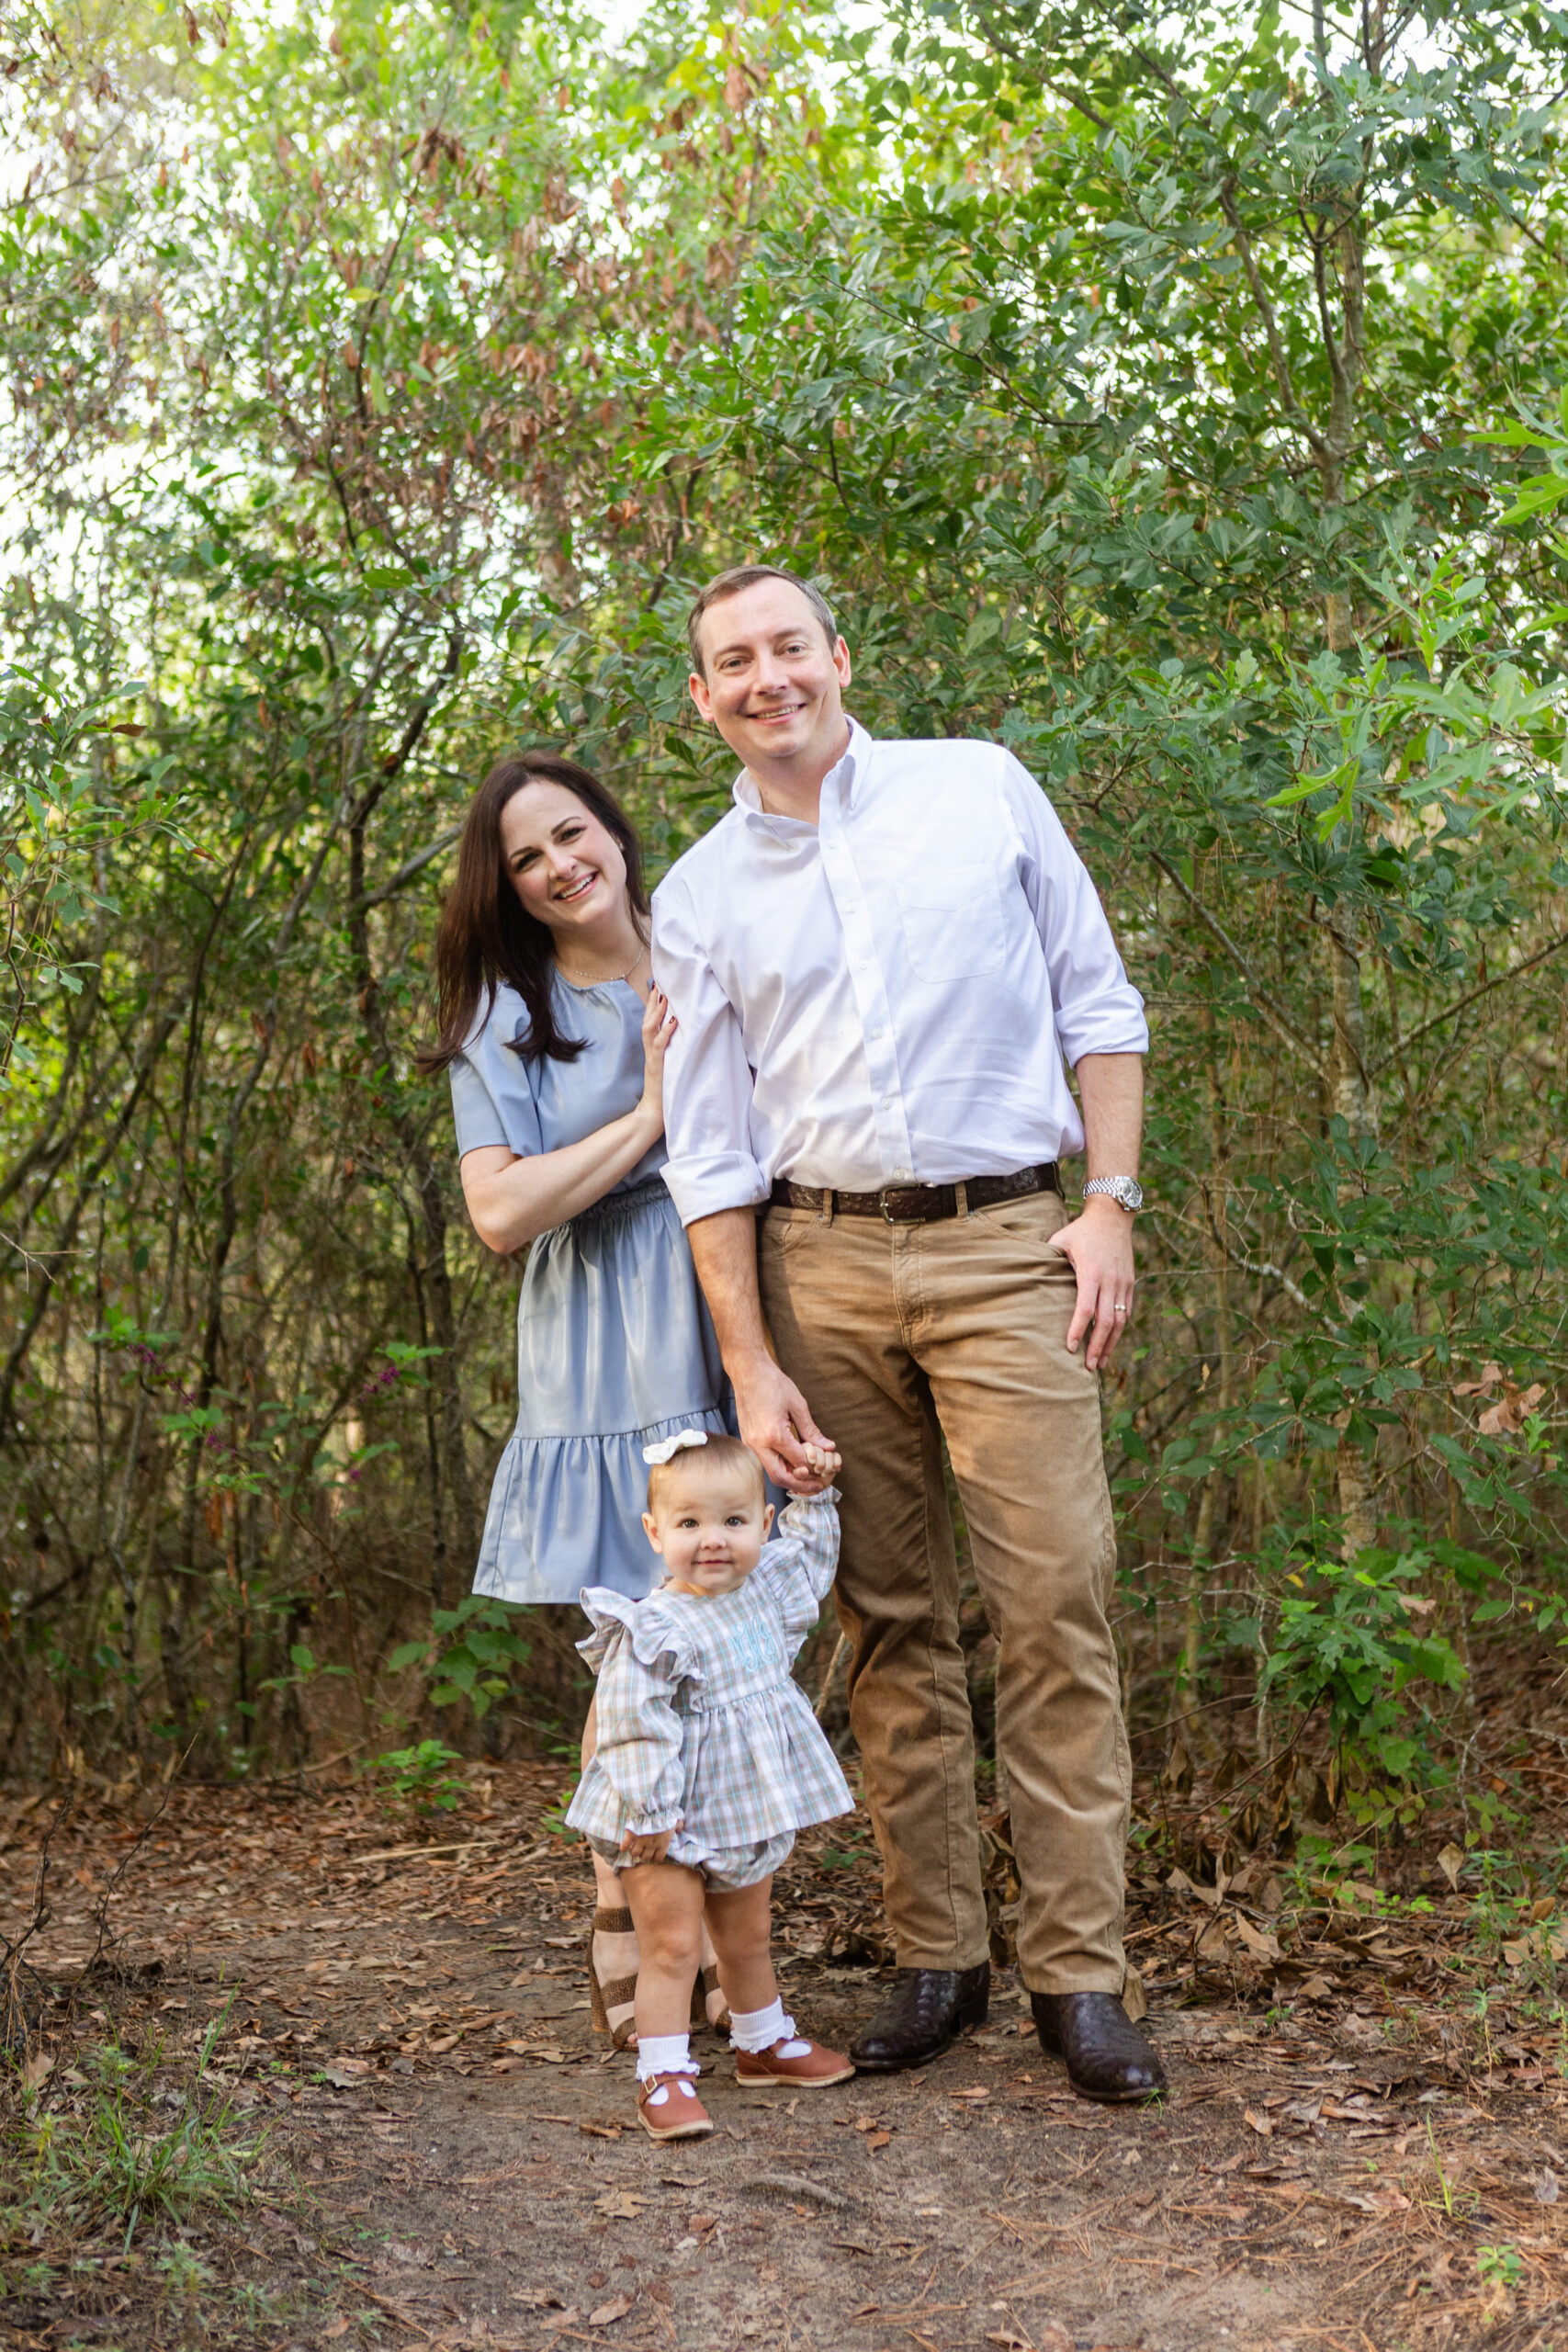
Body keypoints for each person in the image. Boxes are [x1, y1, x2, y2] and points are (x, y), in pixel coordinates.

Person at [649, 565, 1167, 2103]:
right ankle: (936, 1955)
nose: (765, 680)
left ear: (837, 657)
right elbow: (712, 1148)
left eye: (786, 649)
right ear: (703, 699)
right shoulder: (697, 893)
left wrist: (1111, 1202)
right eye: (731, 663)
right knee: (886, 1617)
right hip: (818, 1267)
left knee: (1054, 1599)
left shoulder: (977, 792)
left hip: (1013, 1244)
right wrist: (748, 1358)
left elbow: (1100, 1001)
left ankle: (1081, 1979)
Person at [423, 750, 731, 2049]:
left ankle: (720, 1911)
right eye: (527, 860)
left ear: (611, 828)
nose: (559, 866)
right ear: (509, 892)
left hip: (737, 1296)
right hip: (605, 1327)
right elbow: (500, 1213)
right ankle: (627, 1897)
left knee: (732, 1623)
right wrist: (652, 1115)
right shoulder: (506, 1011)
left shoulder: (713, 943)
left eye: (570, 833)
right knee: (633, 1637)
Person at [567, 1428, 857, 2140]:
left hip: (740, 1807)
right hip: (662, 1818)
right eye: (689, 1523)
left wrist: (813, 1496)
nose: (713, 1540)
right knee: (670, 1946)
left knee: (748, 1937)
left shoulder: (765, 1595)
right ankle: (663, 2074)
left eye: (732, 1521)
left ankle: (761, 2041)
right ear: (654, 1531)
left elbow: (813, 1559)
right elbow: (629, 1728)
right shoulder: (651, 1628)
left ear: (762, 1523)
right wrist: (652, 1809)